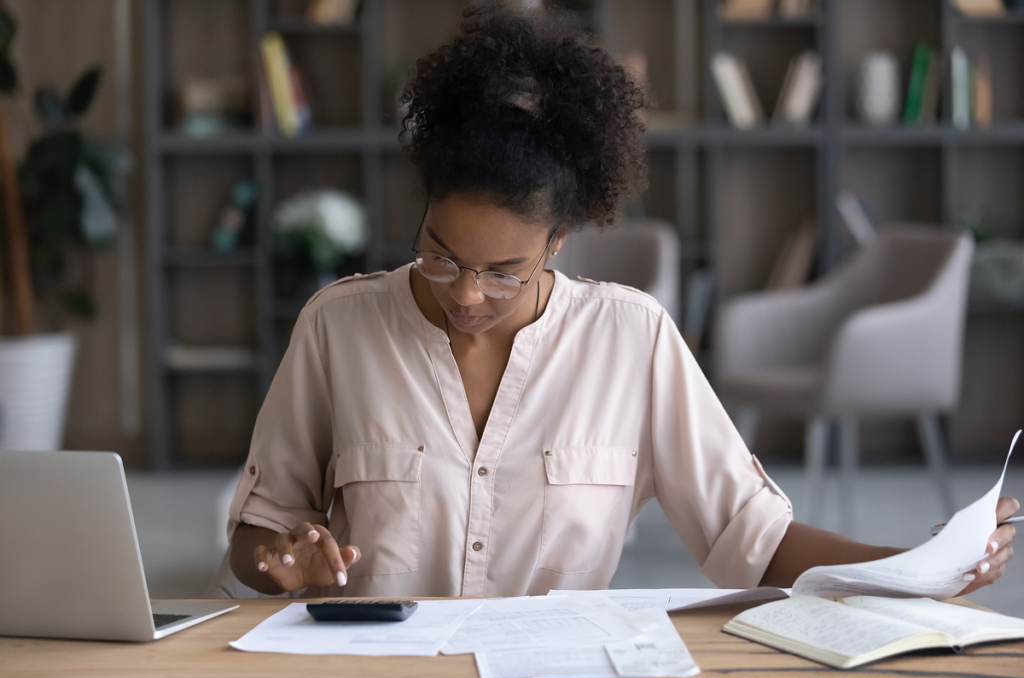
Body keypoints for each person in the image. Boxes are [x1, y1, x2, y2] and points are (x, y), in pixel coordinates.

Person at [228, 3, 1017, 598]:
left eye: (503, 269)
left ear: (562, 237)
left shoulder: (631, 338)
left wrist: (913, 567)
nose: (467, 291)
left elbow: (752, 536)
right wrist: (283, 559)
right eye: (440, 252)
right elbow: (256, 531)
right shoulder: (338, 326)